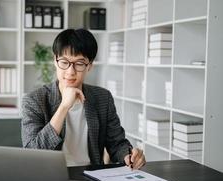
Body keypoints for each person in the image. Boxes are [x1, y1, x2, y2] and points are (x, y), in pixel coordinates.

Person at [21, 28, 146, 169]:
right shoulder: (34, 100)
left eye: (79, 63)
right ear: (55, 61)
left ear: (89, 66)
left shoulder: (103, 98)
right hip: (50, 177)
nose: (70, 71)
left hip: (92, 176)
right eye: (64, 62)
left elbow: (116, 143)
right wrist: (63, 107)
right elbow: (32, 152)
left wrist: (129, 156)